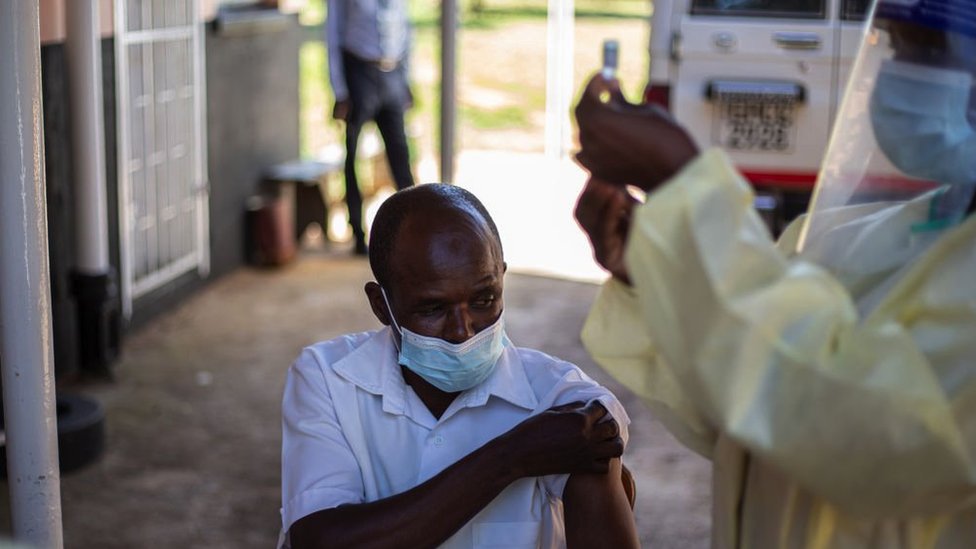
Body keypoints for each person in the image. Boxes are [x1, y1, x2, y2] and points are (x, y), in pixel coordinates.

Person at [572, 0, 976, 546]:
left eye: (931, 49)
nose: (902, 73)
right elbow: (749, 414)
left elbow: (873, 439)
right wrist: (653, 279)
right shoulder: (854, 240)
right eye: (898, 45)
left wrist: (687, 189)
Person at [278, 184, 639, 549]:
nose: (462, 331)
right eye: (432, 309)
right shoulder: (328, 377)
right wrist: (512, 457)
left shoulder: (563, 401)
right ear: (381, 305)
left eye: (484, 299)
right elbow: (318, 541)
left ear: (501, 277)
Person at [326, 0, 416, 255]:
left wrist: (407, 79)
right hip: (359, 74)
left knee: (400, 155)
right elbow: (333, 35)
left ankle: (414, 229)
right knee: (353, 156)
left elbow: (406, 27)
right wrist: (340, 90)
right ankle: (357, 232)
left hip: (393, 74)